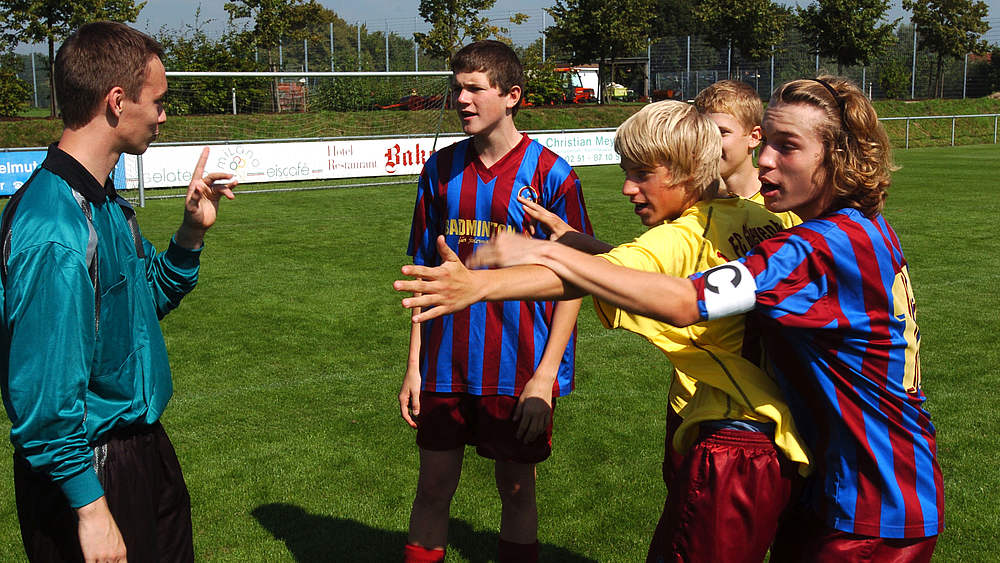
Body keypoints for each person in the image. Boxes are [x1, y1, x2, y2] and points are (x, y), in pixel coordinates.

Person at [401, 76, 943, 561]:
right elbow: (679, 268)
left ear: (840, 156)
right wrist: (585, 248)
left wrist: (507, 272)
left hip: (862, 496)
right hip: (843, 474)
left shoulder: (814, 246)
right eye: (767, 143)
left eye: (788, 146)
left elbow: (685, 295)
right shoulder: (832, 227)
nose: (764, 161)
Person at [0, 22, 236, 562]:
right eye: (158, 101)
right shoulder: (55, 229)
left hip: (141, 448)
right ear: (116, 101)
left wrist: (190, 234)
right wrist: (91, 509)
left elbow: (143, 303)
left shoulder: (105, 202)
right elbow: (44, 400)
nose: (163, 116)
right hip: (88, 470)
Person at [398, 40, 592, 563]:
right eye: (456, 88)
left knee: (516, 490)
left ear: (512, 95)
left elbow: (578, 279)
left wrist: (545, 378)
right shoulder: (439, 170)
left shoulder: (552, 175)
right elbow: (425, 274)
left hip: (519, 366)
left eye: (474, 89)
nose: (461, 99)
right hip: (445, 365)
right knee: (432, 488)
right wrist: (415, 364)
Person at [694, 79, 800, 228]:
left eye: (722, 132)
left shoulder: (784, 203)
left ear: (754, 137)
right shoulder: (692, 203)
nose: (709, 142)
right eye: (702, 133)